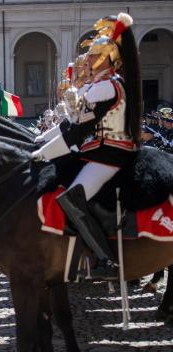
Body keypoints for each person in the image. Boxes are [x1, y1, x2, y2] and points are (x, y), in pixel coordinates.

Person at [32, 13, 141, 279]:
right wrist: (41, 141)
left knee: (71, 199)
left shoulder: (106, 87)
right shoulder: (102, 86)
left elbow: (78, 132)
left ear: (107, 58)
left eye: (93, 55)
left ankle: (107, 258)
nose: (88, 61)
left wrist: (42, 154)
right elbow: (71, 125)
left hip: (109, 155)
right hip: (99, 152)